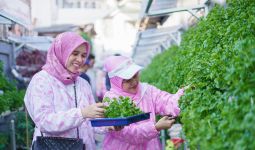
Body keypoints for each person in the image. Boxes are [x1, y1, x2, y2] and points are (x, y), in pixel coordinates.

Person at [24, 32, 107, 150]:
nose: (80, 59)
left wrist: (109, 125)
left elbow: (91, 122)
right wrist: (81, 113)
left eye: (83, 55)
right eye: (75, 53)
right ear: (61, 51)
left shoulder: (82, 83)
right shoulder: (42, 80)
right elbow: (44, 121)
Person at [102, 55, 185, 150]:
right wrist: (155, 127)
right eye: (127, 80)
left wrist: (184, 93)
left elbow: (167, 102)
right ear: (116, 81)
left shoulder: (146, 90)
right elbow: (126, 133)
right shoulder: (112, 100)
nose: (134, 82)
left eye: (135, 75)